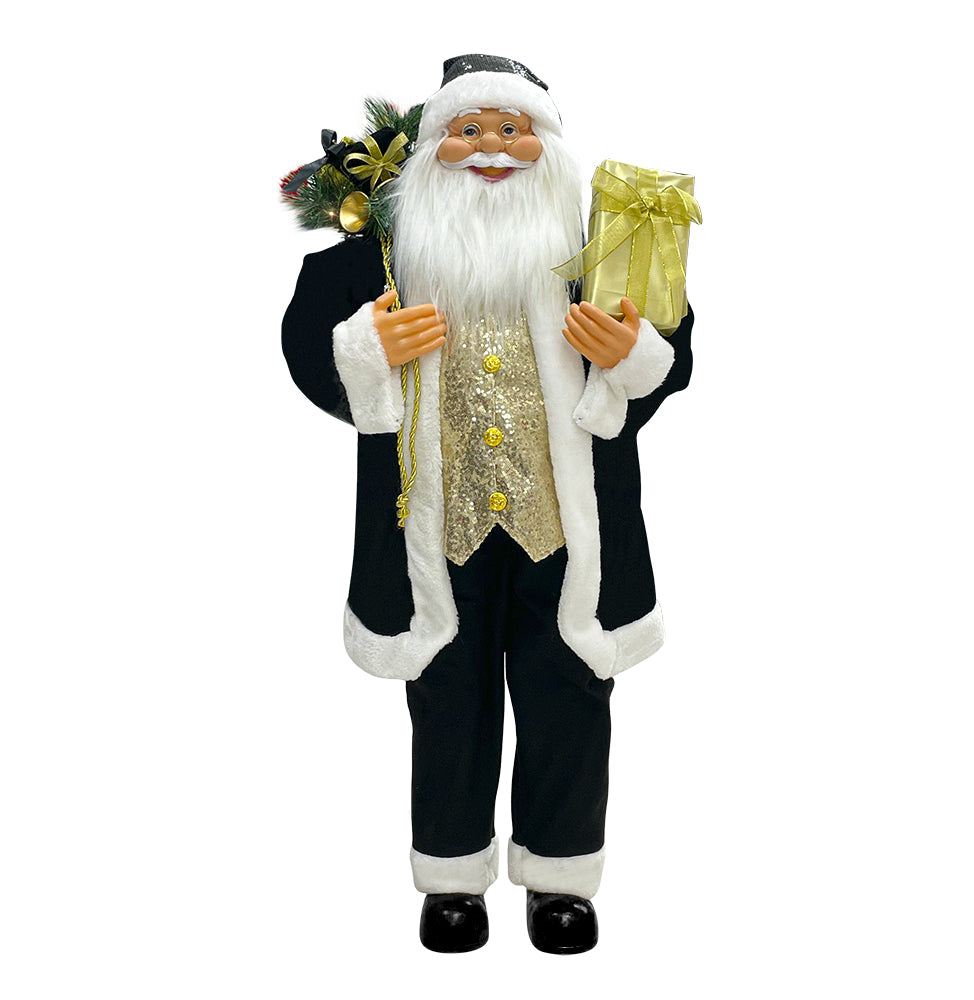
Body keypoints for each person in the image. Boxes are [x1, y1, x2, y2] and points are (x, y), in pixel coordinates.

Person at [282, 54, 694, 954]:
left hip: (566, 531)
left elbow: (671, 342)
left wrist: (630, 353)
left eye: (513, 130)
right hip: (437, 529)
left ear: (548, 144)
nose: (492, 149)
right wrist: (367, 346)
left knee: (569, 696)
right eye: (468, 131)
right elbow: (307, 340)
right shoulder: (387, 255)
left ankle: (560, 880)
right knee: (449, 700)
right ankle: (452, 879)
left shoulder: (596, 246)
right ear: (433, 147)